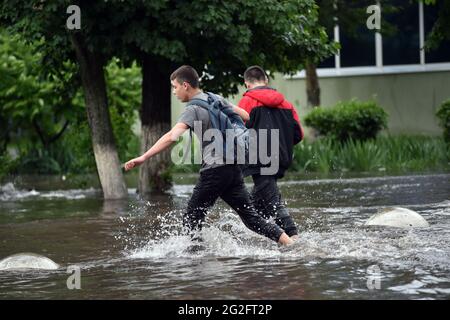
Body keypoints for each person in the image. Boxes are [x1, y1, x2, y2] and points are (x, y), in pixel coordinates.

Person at [124, 65, 294, 246]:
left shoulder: (193, 109)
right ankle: (290, 244)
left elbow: (171, 137)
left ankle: (196, 261)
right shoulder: (215, 98)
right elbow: (245, 115)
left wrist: (143, 157)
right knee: (251, 218)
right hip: (233, 168)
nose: (174, 92)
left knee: (191, 218)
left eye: (175, 87)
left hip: (214, 171)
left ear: (185, 85)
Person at [238, 65, 304, 241]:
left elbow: (237, 131)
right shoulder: (287, 104)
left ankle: (293, 238)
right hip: (281, 157)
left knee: (272, 202)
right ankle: (254, 239)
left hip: (258, 158)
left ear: (246, 83)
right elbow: (299, 134)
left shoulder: (247, 102)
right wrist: (281, 145)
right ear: (266, 80)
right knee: (252, 205)